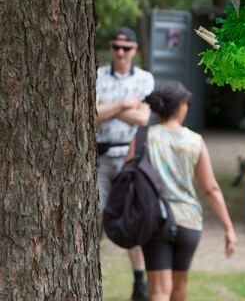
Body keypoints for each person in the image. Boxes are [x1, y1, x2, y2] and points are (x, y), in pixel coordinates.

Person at [136, 81, 238, 300]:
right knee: (179, 290)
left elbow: (129, 176)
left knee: (158, 291)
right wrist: (228, 228)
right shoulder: (195, 141)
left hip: (156, 219)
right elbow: (210, 188)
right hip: (188, 222)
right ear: (181, 106)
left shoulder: (144, 137)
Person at [96, 26, 155, 300]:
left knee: (133, 217)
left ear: (135, 50)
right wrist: (124, 104)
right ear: (111, 48)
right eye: (116, 47)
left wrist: (109, 108)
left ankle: (139, 280)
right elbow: (93, 113)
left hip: (130, 158)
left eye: (126, 48)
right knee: (95, 215)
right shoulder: (97, 75)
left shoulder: (144, 79)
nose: (120, 52)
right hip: (101, 156)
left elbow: (143, 118)